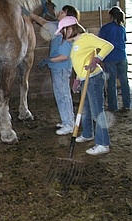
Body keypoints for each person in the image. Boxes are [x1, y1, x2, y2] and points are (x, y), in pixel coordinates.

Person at [55, 16, 114, 155]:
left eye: (63, 32)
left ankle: (103, 143)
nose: (62, 36)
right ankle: (88, 134)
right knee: (86, 110)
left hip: (94, 78)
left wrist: (97, 59)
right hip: (85, 79)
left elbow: (108, 46)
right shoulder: (75, 43)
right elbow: (80, 63)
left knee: (96, 111)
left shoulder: (87, 38)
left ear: (70, 29)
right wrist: (77, 79)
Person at [25, 5, 80, 136]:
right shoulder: (57, 26)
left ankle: (69, 124)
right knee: (60, 95)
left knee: (63, 95)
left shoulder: (67, 32)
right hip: (57, 67)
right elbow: (42, 21)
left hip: (61, 67)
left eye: (62, 12)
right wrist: (30, 14)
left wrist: (48, 60)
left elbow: (64, 56)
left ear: (68, 16)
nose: (59, 13)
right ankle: (67, 120)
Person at [98, 6, 131, 111]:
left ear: (111, 16)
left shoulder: (105, 28)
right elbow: (124, 41)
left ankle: (113, 106)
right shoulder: (122, 28)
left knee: (111, 82)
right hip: (122, 56)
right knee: (124, 81)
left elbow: (100, 42)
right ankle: (127, 104)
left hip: (110, 57)